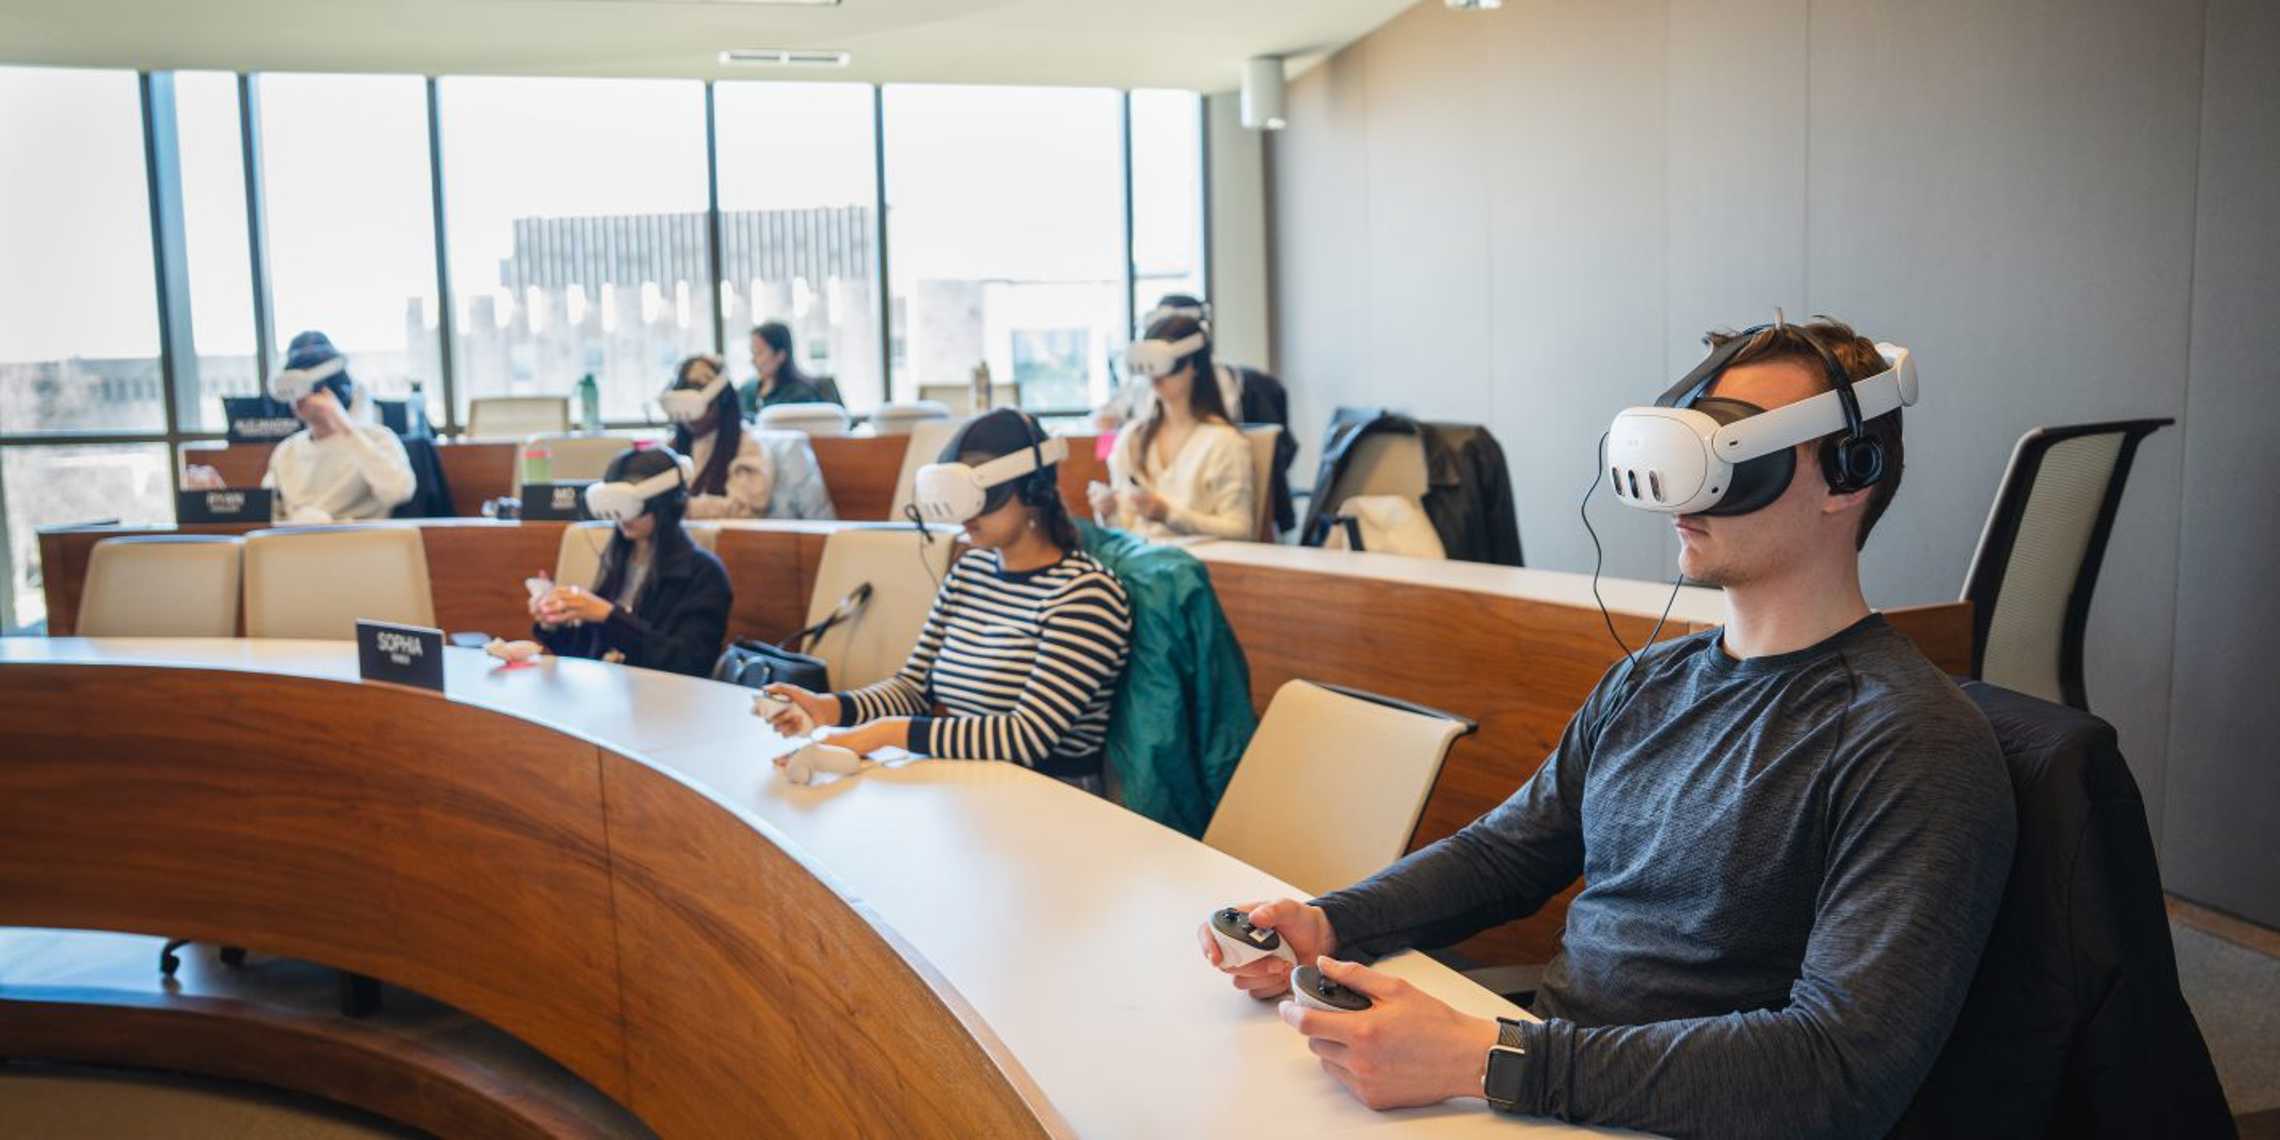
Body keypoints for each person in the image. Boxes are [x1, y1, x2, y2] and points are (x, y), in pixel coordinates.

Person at [1197, 318, 2015, 1139]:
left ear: (1849, 475)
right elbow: (1507, 853)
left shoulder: (1911, 740)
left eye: (1734, 455)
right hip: (1546, 1097)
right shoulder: (1648, 680)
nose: (1687, 490)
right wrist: (1330, 923)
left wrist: (1482, 1058)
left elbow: (1841, 1070)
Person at [762, 409, 1132, 786]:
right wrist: (828, 707)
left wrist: (883, 734)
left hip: (1053, 801)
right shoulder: (970, 573)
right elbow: (913, 688)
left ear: (1033, 490)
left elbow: (1024, 737)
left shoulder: (1086, 595)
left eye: (982, 497)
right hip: (968, 790)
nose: (964, 514)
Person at [530, 446, 731, 678]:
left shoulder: (705, 574)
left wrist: (608, 615)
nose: (622, 518)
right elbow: (587, 653)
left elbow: (688, 663)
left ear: (665, 503)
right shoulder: (620, 561)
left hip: (666, 702)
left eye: (629, 507)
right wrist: (554, 623)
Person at [1093, 313, 1257, 541]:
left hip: (1199, 569)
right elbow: (1125, 529)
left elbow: (1239, 530)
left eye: (1168, 367)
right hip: (1138, 566)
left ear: (1195, 365)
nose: (1156, 379)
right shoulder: (1133, 438)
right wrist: (1107, 513)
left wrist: (1168, 514)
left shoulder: (1225, 443)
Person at [256, 331, 417, 523]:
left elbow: (398, 491)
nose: (299, 399)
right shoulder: (286, 452)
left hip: (358, 544)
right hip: (296, 545)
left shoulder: (377, 438)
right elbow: (267, 513)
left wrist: (344, 426)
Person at [663, 353, 772, 519]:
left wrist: (682, 508)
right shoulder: (673, 446)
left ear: (721, 401)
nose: (690, 418)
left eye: (697, 407)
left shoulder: (747, 446)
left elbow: (744, 508)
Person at [738, 320, 828, 416]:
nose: (753, 360)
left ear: (780, 355)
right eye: (753, 352)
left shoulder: (802, 395)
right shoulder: (747, 390)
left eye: (759, 353)